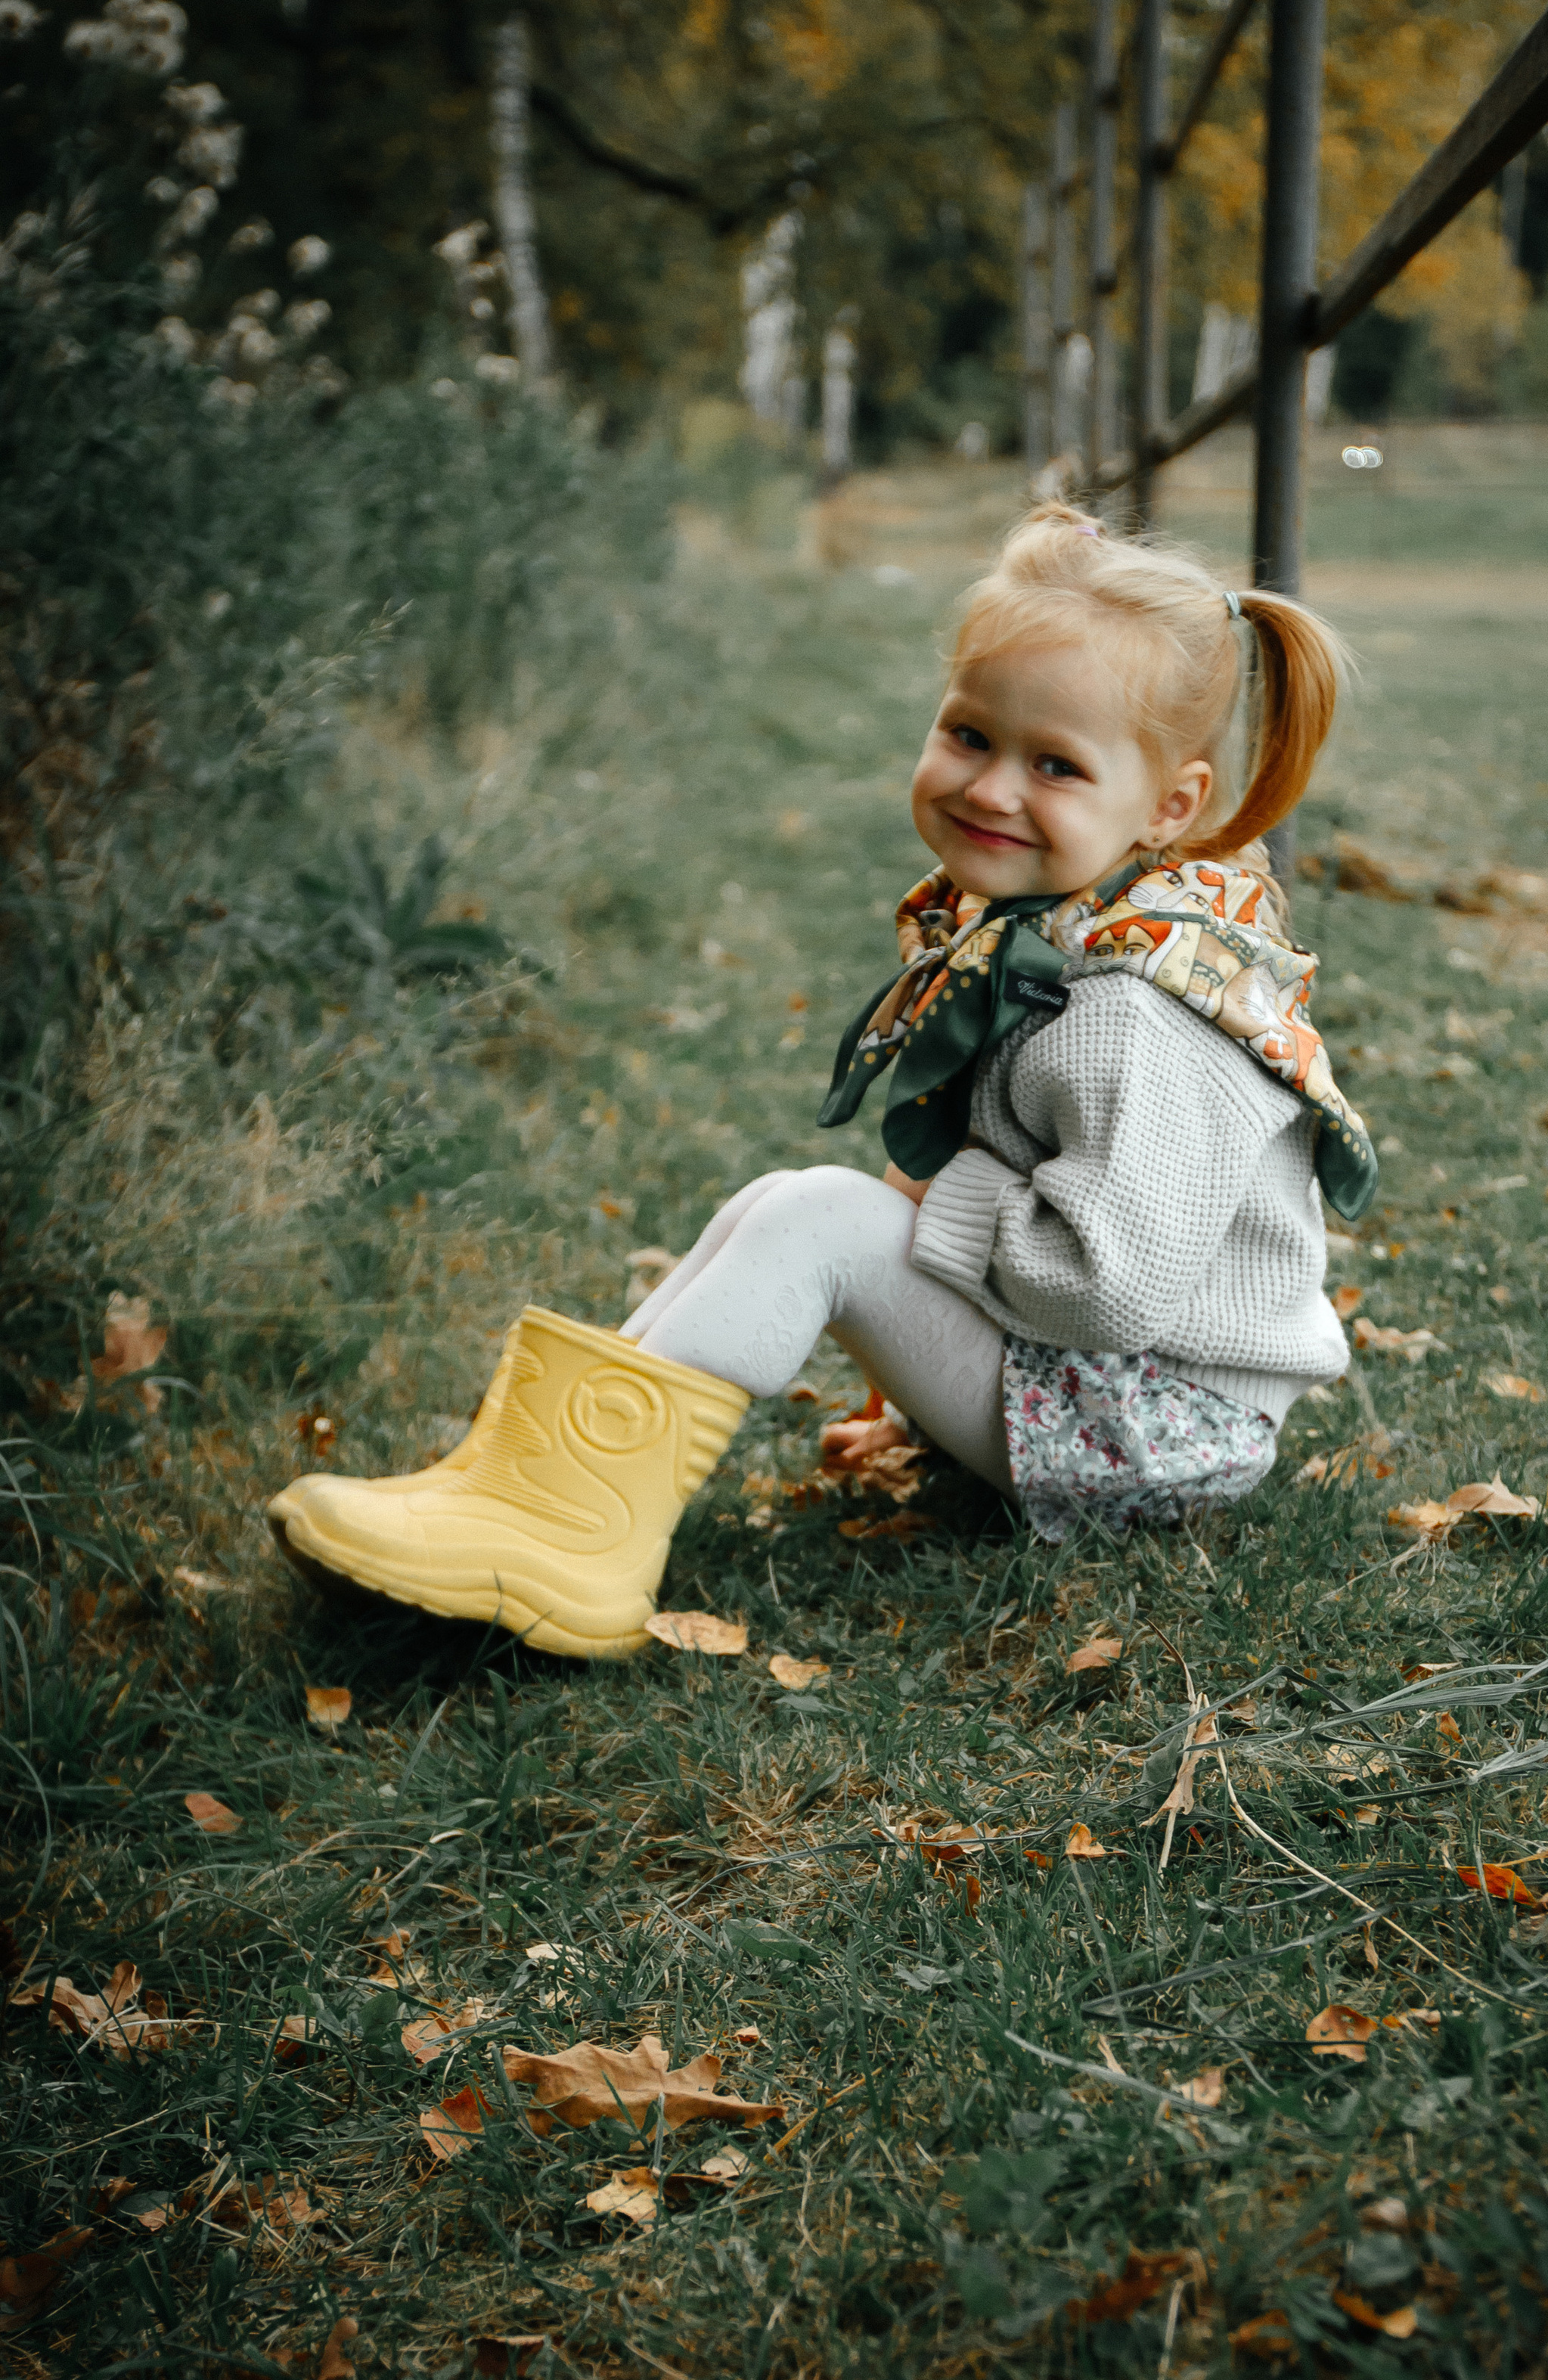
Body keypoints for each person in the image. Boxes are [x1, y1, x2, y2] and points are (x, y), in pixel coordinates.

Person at [268, 505, 1376, 1658]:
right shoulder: (1058, 927)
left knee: (822, 1223)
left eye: (1055, 765)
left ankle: (571, 1540)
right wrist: (913, 1396)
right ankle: (529, 1479)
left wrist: (930, 1204)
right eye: (969, 735)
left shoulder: (1135, 1013)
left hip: (1158, 1430)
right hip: (1102, 1392)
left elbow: (1105, 1288)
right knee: (781, 1204)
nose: (992, 788)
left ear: (1169, 808)